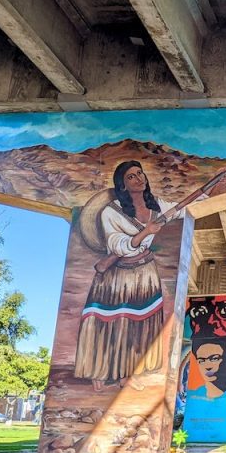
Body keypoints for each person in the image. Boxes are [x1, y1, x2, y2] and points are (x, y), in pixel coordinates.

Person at [75, 161, 191, 392]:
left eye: (140, 173)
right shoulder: (112, 212)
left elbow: (184, 208)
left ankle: (128, 374)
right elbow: (118, 245)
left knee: (140, 324)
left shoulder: (157, 206)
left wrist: (212, 191)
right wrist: (146, 232)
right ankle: (100, 370)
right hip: (116, 276)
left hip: (145, 272)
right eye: (131, 177)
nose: (139, 178)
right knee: (111, 321)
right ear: (123, 185)